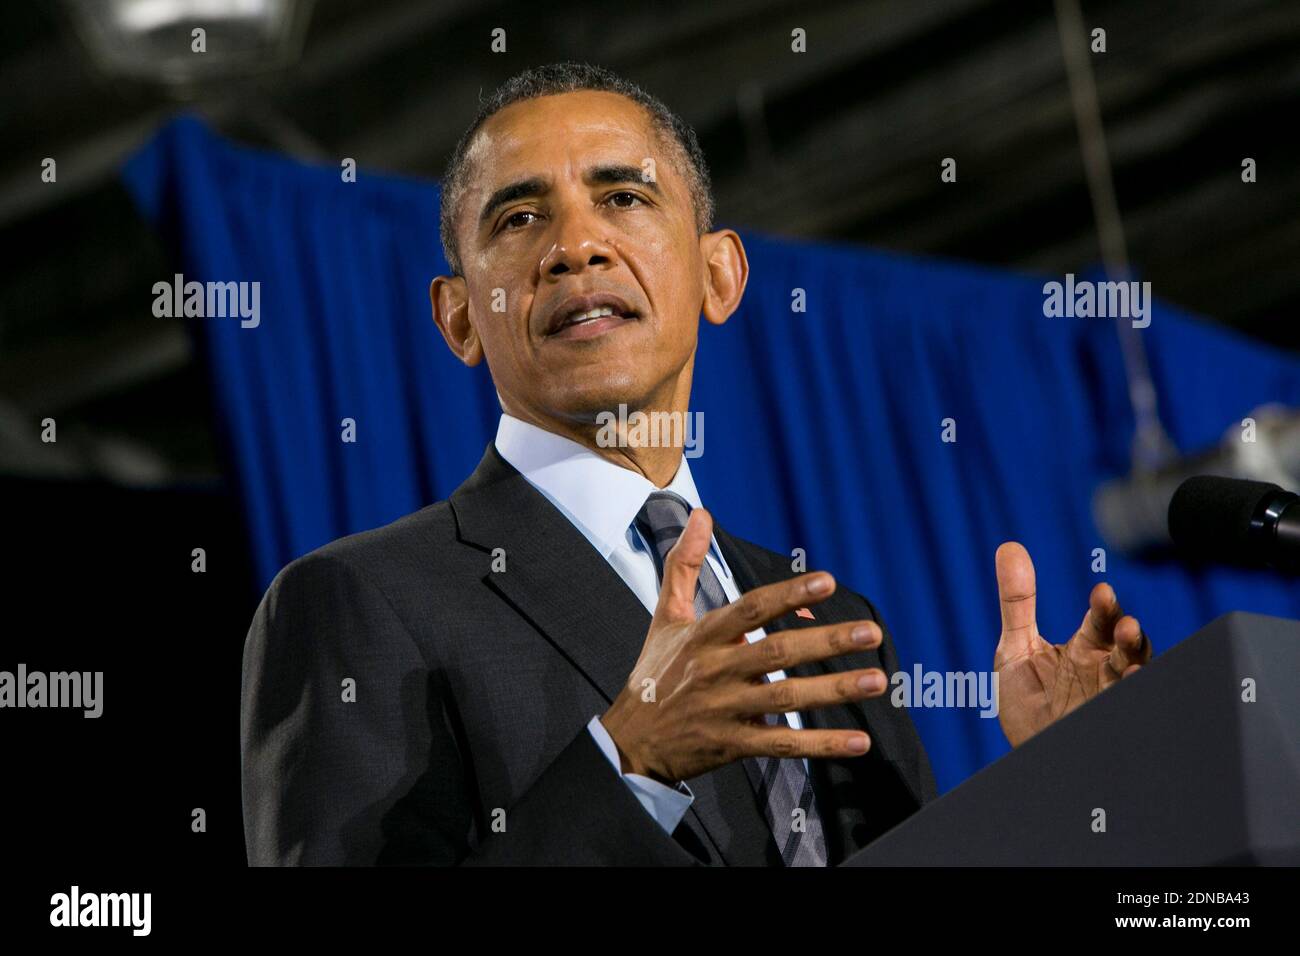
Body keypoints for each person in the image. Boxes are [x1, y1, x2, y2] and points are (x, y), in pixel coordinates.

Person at [240, 62, 1151, 866]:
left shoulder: (825, 616)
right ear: (460, 319)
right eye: (520, 217)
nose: (575, 246)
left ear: (719, 276)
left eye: (624, 199)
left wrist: (1058, 782)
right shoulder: (359, 605)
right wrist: (627, 762)